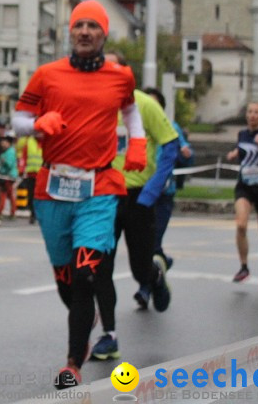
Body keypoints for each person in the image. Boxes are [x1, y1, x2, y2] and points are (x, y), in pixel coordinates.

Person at [12, 0, 146, 389]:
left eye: (93, 26)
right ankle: (85, 323)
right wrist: (38, 123)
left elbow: (131, 113)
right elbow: (18, 119)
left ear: (104, 34)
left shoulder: (121, 77)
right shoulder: (46, 75)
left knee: (87, 274)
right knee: (66, 280)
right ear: (70, 32)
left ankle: (72, 363)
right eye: (79, 25)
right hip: (53, 190)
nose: (85, 31)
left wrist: (136, 145)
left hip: (98, 189)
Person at [89, 72, 179, 363]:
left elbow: (171, 145)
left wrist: (152, 191)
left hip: (138, 196)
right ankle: (109, 335)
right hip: (103, 196)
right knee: (101, 265)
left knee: (139, 268)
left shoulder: (144, 104)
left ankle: (153, 276)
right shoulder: (92, 103)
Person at [224, 101, 258, 289]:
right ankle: (244, 267)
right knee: (241, 224)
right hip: (245, 185)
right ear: (246, 115)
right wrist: (233, 154)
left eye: (257, 112)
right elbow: (242, 151)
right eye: (250, 112)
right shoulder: (242, 134)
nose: (253, 115)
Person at [143, 87, 193, 271]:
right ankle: (162, 262)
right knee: (144, 244)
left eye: (153, 104)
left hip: (163, 193)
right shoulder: (133, 127)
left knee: (153, 242)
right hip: (139, 193)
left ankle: (146, 289)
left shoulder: (170, 127)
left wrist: (186, 154)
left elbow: (185, 154)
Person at [15, 134, 43, 224]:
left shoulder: (46, 141)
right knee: (31, 196)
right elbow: (24, 157)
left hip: (42, 175)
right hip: (31, 174)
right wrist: (21, 170)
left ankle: (39, 214)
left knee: (41, 197)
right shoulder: (29, 142)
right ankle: (33, 214)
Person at [0, 135, 19, 219]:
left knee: (4, 194)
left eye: (4, 142)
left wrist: (3, 162)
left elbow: (9, 165)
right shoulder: (7, 152)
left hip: (8, 177)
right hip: (7, 176)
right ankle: (12, 212)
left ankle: (0, 212)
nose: (2, 144)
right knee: (9, 195)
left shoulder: (10, 152)